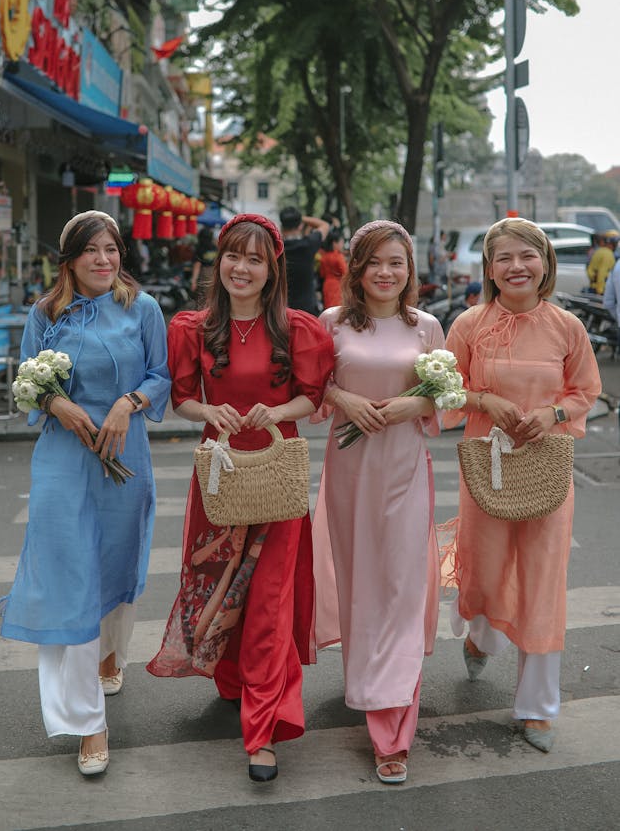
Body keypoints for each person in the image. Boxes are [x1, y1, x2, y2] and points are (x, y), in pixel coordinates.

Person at [147, 213, 334, 784]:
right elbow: (181, 398)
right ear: (219, 261)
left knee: (271, 604)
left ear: (272, 268)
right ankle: (234, 682)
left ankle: (264, 730)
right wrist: (210, 411)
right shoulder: (191, 328)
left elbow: (313, 396)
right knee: (224, 588)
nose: (242, 268)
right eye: (233, 256)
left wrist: (276, 411)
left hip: (277, 475)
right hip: (220, 477)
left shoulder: (299, 329)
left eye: (255, 259)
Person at [0, 210, 171, 776]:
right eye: (91, 250)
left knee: (115, 566)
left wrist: (127, 404)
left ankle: (111, 652)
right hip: (64, 460)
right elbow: (27, 380)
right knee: (71, 578)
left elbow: (161, 375)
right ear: (68, 259)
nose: (103, 259)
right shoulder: (45, 314)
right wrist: (56, 403)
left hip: (123, 457)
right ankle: (88, 723)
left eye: (112, 249)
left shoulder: (141, 309)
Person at [444, 217, 601, 753]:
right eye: (504, 258)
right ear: (489, 269)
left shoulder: (566, 326)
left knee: (543, 581)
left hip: (546, 470)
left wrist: (553, 412)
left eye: (527, 256)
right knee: (484, 570)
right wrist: (484, 401)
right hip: (485, 464)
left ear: (545, 264)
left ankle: (537, 707)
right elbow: (443, 389)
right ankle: (482, 634)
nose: (516, 267)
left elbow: (586, 390)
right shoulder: (468, 325)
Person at [311, 220, 446, 785]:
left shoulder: (427, 327)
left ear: (409, 269)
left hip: (405, 470)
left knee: (400, 586)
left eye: (397, 262)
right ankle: (369, 689)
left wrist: (407, 408)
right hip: (349, 473)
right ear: (356, 269)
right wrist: (344, 396)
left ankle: (393, 729)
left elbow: (444, 396)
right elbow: (313, 389)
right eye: (374, 263)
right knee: (362, 583)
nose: (386, 273)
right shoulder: (331, 324)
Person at [279, 205, 330, 314]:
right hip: (306, 310)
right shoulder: (309, 244)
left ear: (282, 226)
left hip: (280, 311)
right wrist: (301, 218)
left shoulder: (275, 247)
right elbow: (324, 225)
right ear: (300, 226)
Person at [318, 228, 348, 310]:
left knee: (329, 310)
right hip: (337, 286)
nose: (342, 245)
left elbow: (322, 273)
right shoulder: (338, 257)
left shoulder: (323, 257)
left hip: (326, 285)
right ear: (334, 243)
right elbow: (346, 273)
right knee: (338, 310)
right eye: (341, 242)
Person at [190, 225, 218, 306]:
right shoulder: (215, 248)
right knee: (212, 298)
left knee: (202, 298)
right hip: (215, 273)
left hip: (204, 273)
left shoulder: (200, 248)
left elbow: (197, 265)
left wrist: (193, 281)